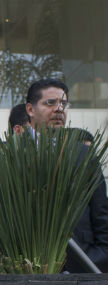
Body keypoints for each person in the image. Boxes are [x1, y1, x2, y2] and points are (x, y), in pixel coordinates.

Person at [25, 78, 108, 272]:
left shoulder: (83, 154)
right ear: (30, 109)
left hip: (85, 265)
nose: (59, 109)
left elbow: (101, 212)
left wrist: (98, 258)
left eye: (63, 103)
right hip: (29, 271)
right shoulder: (9, 154)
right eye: (50, 103)